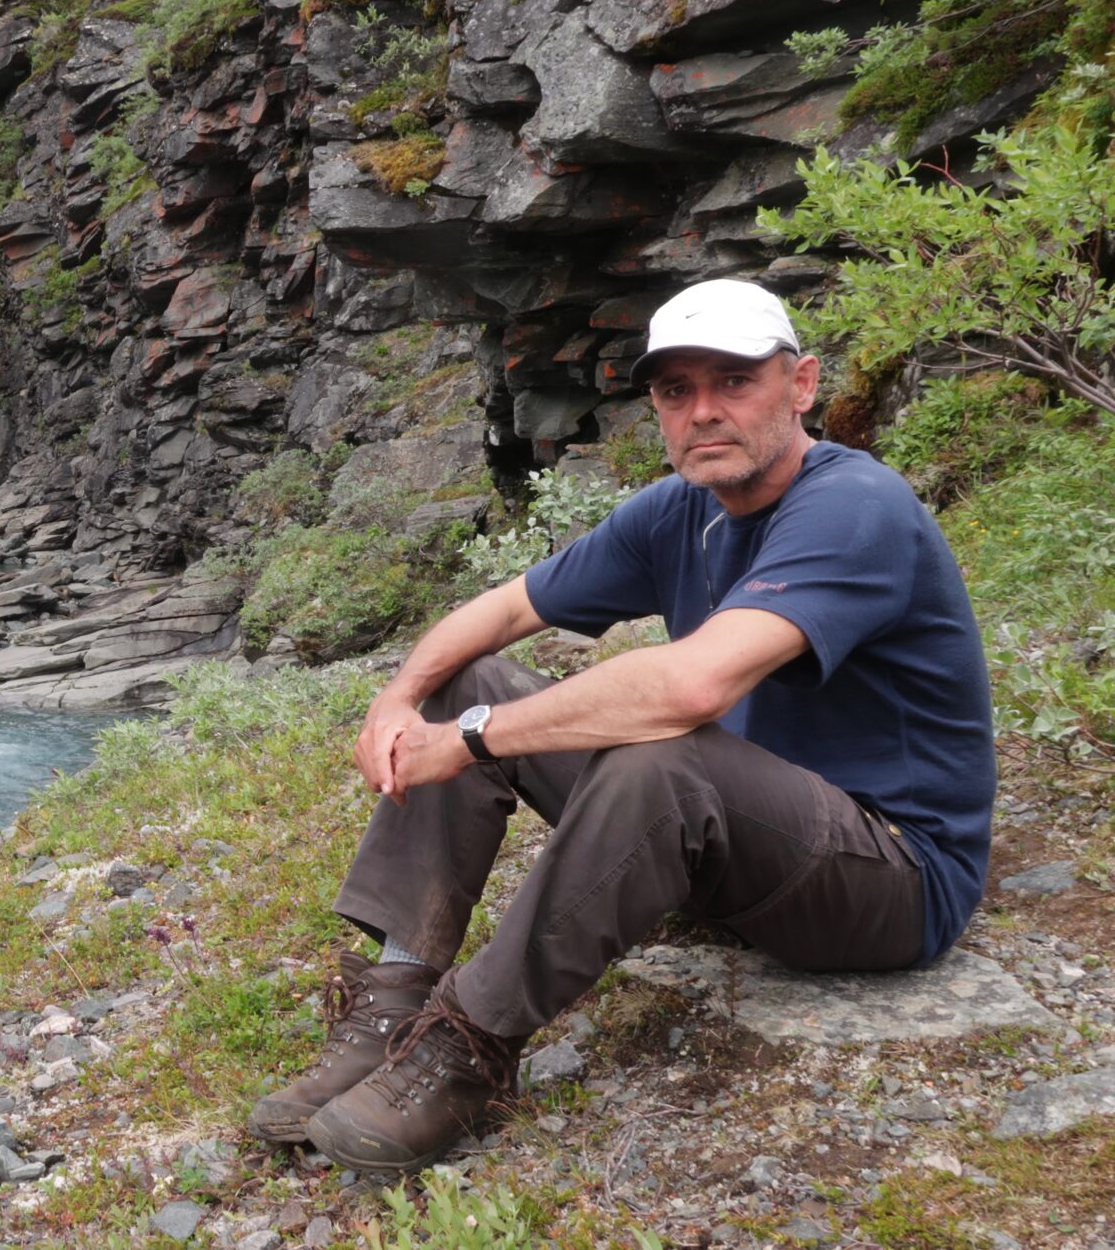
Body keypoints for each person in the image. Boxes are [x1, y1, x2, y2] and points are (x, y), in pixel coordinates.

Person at [248, 278, 996, 1173]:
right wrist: (400, 697)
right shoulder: (682, 511)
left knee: (660, 752)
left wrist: (473, 738)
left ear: (802, 385)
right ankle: (393, 1001)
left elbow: (692, 686)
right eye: (677, 391)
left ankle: (464, 1049)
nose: (704, 411)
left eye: (734, 381)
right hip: (747, 839)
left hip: (893, 878)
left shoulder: (855, 508)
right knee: (469, 677)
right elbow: (499, 612)